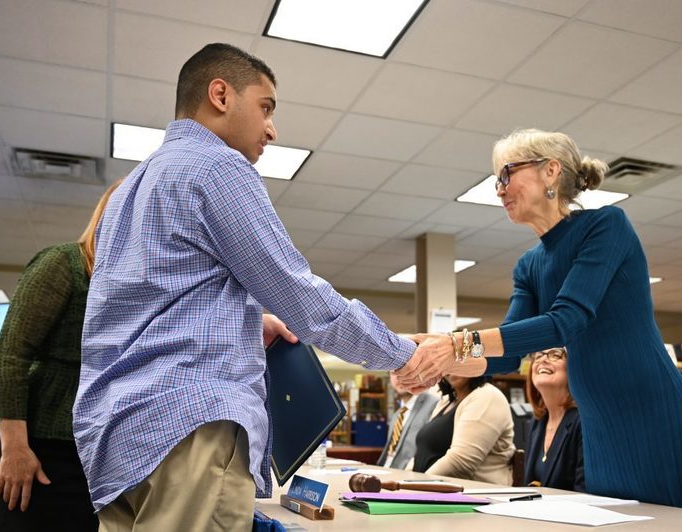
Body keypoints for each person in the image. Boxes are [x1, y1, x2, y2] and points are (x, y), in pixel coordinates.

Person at [73, 43, 429, 531]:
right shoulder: (217, 167)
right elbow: (299, 294)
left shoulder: (132, 188)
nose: (271, 129)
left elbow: (141, 306)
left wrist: (244, 324)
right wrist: (402, 354)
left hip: (118, 439)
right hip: (188, 426)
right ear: (220, 94)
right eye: (265, 107)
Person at [400, 129, 682, 511]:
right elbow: (504, 357)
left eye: (506, 174)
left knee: (670, 520)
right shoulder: (529, 265)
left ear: (550, 171)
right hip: (596, 415)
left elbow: (566, 319)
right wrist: (430, 355)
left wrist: (456, 344)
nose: (499, 189)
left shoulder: (607, 226)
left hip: (646, 403)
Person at [0, 181, 121, 532]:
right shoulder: (65, 263)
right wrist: (14, 448)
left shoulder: (127, 286)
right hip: (39, 448)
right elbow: (10, 354)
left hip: (92, 455)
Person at [410, 376, 514, 485]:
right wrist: (405, 479)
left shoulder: (488, 396)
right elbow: (422, 450)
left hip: (473, 496)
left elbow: (461, 462)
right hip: (428, 490)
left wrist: (417, 485)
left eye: (459, 359)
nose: (453, 369)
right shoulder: (447, 401)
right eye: (446, 362)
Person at [524, 347, 584, 491]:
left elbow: (584, 491)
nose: (543, 359)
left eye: (555, 355)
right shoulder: (537, 422)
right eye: (538, 355)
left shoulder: (583, 422)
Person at [377, 373, 437, 470]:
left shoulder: (434, 405)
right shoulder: (396, 415)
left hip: (408, 474)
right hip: (385, 470)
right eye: (393, 373)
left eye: (403, 369)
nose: (399, 377)